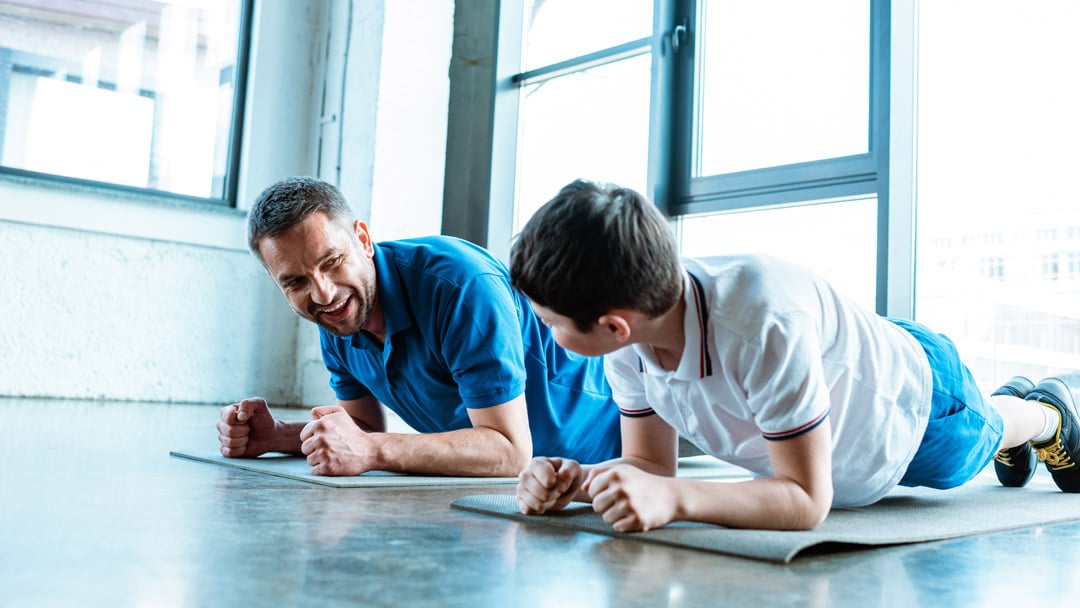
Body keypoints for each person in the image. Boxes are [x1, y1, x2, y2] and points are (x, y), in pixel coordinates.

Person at [510, 178, 1080, 532]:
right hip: (845, 366)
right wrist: (581, 480)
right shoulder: (630, 346)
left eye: (549, 323)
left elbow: (807, 498)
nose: (547, 333)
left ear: (611, 324)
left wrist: (676, 499)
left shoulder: (761, 327)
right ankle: (1018, 414)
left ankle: (1047, 411)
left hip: (922, 406)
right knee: (982, 435)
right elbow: (652, 468)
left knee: (983, 437)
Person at [216, 176, 621, 477]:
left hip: (622, 437)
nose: (322, 294)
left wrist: (373, 452)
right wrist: (278, 437)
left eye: (331, 262)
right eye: (296, 282)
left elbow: (510, 452)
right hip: (538, 487)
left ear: (363, 239)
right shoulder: (339, 315)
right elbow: (364, 429)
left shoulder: (461, 287)